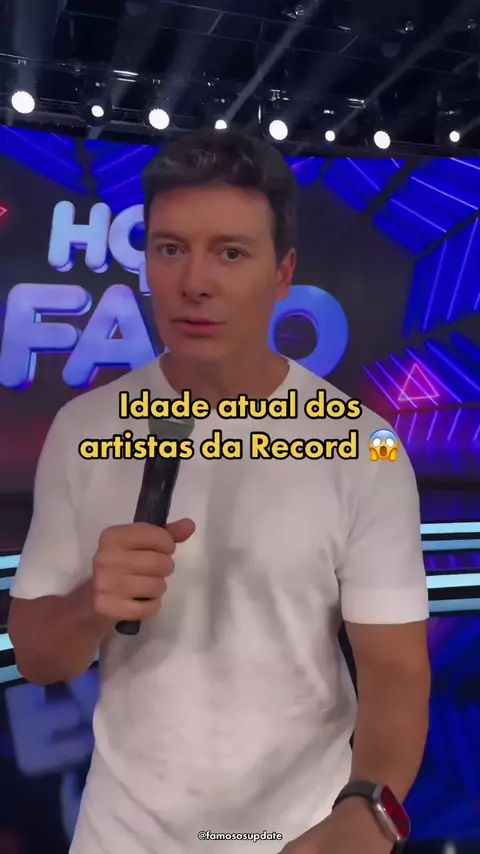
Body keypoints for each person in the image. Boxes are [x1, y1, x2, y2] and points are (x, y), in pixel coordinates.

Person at [8, 129, 431, 854]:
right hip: (122, 836)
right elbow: (40, 657)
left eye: (230, 252)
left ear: (283, 273)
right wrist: (91, 605)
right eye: (171, 248)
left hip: (306, 833)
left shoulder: (365, 445)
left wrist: (369, 810)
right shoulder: (85, 429)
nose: (194, 282)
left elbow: (394, 668)